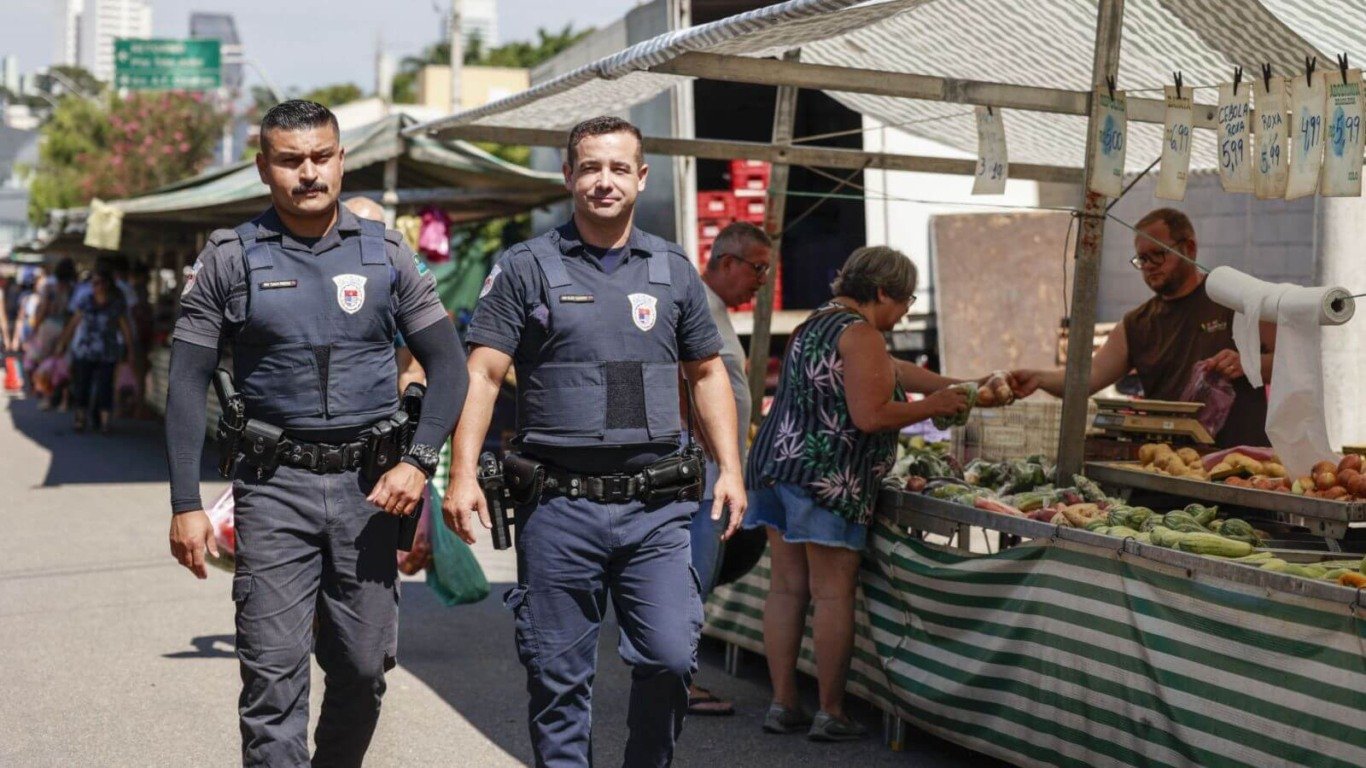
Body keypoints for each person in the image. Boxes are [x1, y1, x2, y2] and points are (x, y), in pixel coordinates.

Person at [163, 100, 468, 767]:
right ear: (263, 167)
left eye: (322, 157)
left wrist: (418, 462)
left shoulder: (385, 252)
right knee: (272, 678)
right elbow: (186, 381)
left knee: (362, 668)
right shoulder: (229, 257)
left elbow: (448, 365)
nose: (309, 172)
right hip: (273, 490)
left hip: (370, 491)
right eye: (291, 159)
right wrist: (185, 503)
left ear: (341, 159)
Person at [442, 115, 746, 768]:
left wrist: (731, 467)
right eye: (589, 167)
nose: (603, 181)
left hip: (656, 508)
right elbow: (484, 373)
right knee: (558, 677)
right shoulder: (526, 266)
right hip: (557, 505)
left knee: (669, 658)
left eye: (617, 168)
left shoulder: (672, 269)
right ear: (568, 176)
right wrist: (462, 472)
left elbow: (707, 372)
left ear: (640, 177)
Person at [744, 246, 981, 741]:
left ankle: (783, 703)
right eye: (907, 299)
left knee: (787, 587)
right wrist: (932, 406)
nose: (909, 310)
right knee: (832, 593)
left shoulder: (819, 322)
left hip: (778, 465)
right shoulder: (863, 333)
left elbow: (892, 370)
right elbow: (870, 414)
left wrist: (969, 387)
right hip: (826, 478)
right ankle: (831, 711)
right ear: (880, 293)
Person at [1013, 207, 1274, 447]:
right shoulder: (1137, 324)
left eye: (1158, 255)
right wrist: (1038, 378)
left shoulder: (1233, 301)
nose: (1149, 267)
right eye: (1142, 259)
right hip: (1170, 468)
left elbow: (1294, 362)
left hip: (1240, 468)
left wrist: (1250, 364)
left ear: (1190, 248)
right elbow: (1088, 378)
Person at [685, 221, 773, 717]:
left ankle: (676, 676)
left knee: (697, 576)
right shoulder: (697, 302)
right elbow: (688, 377)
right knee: (691, 579)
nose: (762, 280)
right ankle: (679, 681)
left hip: (714, 473)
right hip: (703, 477)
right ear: (726, 263)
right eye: (757, 268)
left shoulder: (711, 306)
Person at [53, 268, 134, 432]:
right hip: (85, 350)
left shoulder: (115, 304)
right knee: (83, 385)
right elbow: (73, 323)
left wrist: (130, 349)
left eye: (99, 283)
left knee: (105, 387)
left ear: (107, 284)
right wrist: (62, 343)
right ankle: (80, 419)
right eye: (94, 283)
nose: (96, 286)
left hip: (108, 352)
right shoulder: (86, 301)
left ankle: (104, 422)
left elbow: (125, 329)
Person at [30, 258, 78, 410]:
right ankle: (64, 401)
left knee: (46, 364)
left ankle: (47, 398)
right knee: (65, 364)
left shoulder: (49, 287)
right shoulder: (74, 288)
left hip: (49, 326)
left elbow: (43, 308)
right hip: (69, 327)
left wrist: (36, 327)